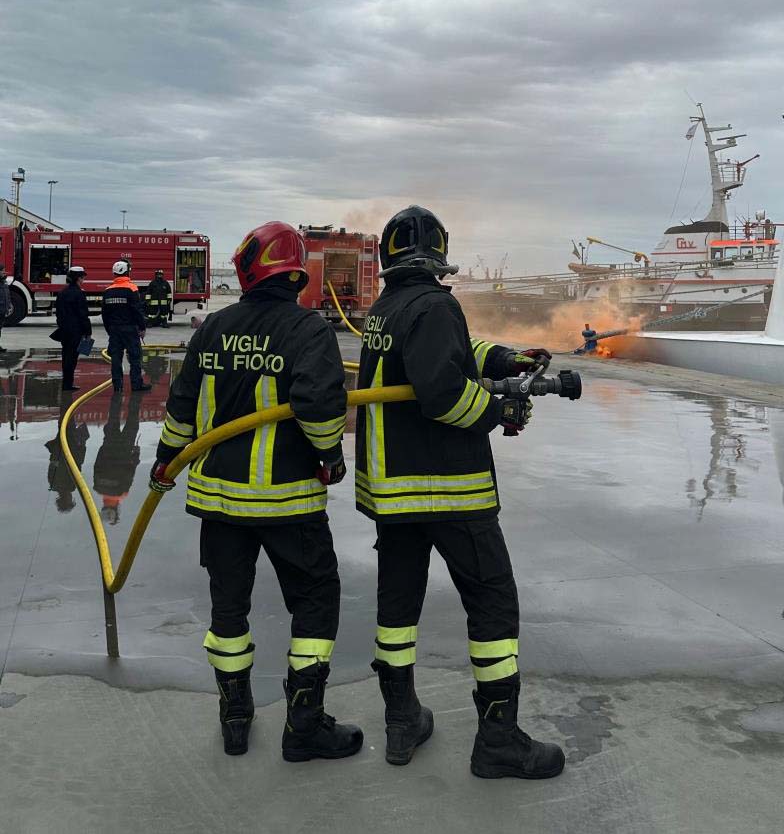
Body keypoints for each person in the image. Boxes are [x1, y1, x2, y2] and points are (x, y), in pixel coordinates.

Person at [355, 204, 565, 779]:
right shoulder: (436, 304)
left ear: (390, 257)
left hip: (395, 495)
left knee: (398, 607)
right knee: (493, 601)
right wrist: (500, 411)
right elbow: (444, 392)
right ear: (440, 256)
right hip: (449, 490)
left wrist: (504, 357)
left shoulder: (389, 307)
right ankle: (498, 740)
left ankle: (402, 720)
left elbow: (447, 353)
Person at [149, 221, 363, 761]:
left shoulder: (214, 327)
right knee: (315, 601)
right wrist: (331, 457)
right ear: (296, 272)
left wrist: (165, 458)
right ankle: (304, 725)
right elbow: (320, 407)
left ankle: (235, 717)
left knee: (228, 611)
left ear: (248, 268)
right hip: (288, 502)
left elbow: (182, 405)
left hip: (219, 503)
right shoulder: (308, 330)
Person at [101, 260, 151, 393]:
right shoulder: (132, 288)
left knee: (116, 359)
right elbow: (137, 311)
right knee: (135, 357)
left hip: (114, 330)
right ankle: (136, 385)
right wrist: (142, 328)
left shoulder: (107, 291)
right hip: (129, 329)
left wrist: (110, 330)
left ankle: (117, 386)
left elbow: (104, 314)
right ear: (127, 272)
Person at [93, 391, 142, 526]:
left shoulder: (122, 492)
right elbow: (97, 464)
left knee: (132, 419)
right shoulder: (97, 487)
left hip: (126, 448)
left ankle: (136, 396)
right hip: (109, 444)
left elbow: (130, 470)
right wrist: (104, 447)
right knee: (113, 417)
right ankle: (117, 393)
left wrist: (135, 454)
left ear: (116, 509)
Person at [53, 266, 92, 391]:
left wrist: (61, 326)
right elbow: (83, 315)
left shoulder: (62, 293)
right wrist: (88, 332)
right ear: (78, 278)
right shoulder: (79, 294)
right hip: (76, 331)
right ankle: (68, 385)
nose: (83, 280)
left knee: (66, 357)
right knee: (72, 358)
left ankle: (67, 383)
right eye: (82, 277)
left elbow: (58, 313)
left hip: (64, 331)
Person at [0, 263, 10, 353]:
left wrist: (8, 306)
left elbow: (7, 295)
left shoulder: (4, 282)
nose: (4, 272)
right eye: (2, 270)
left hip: (3, 310)